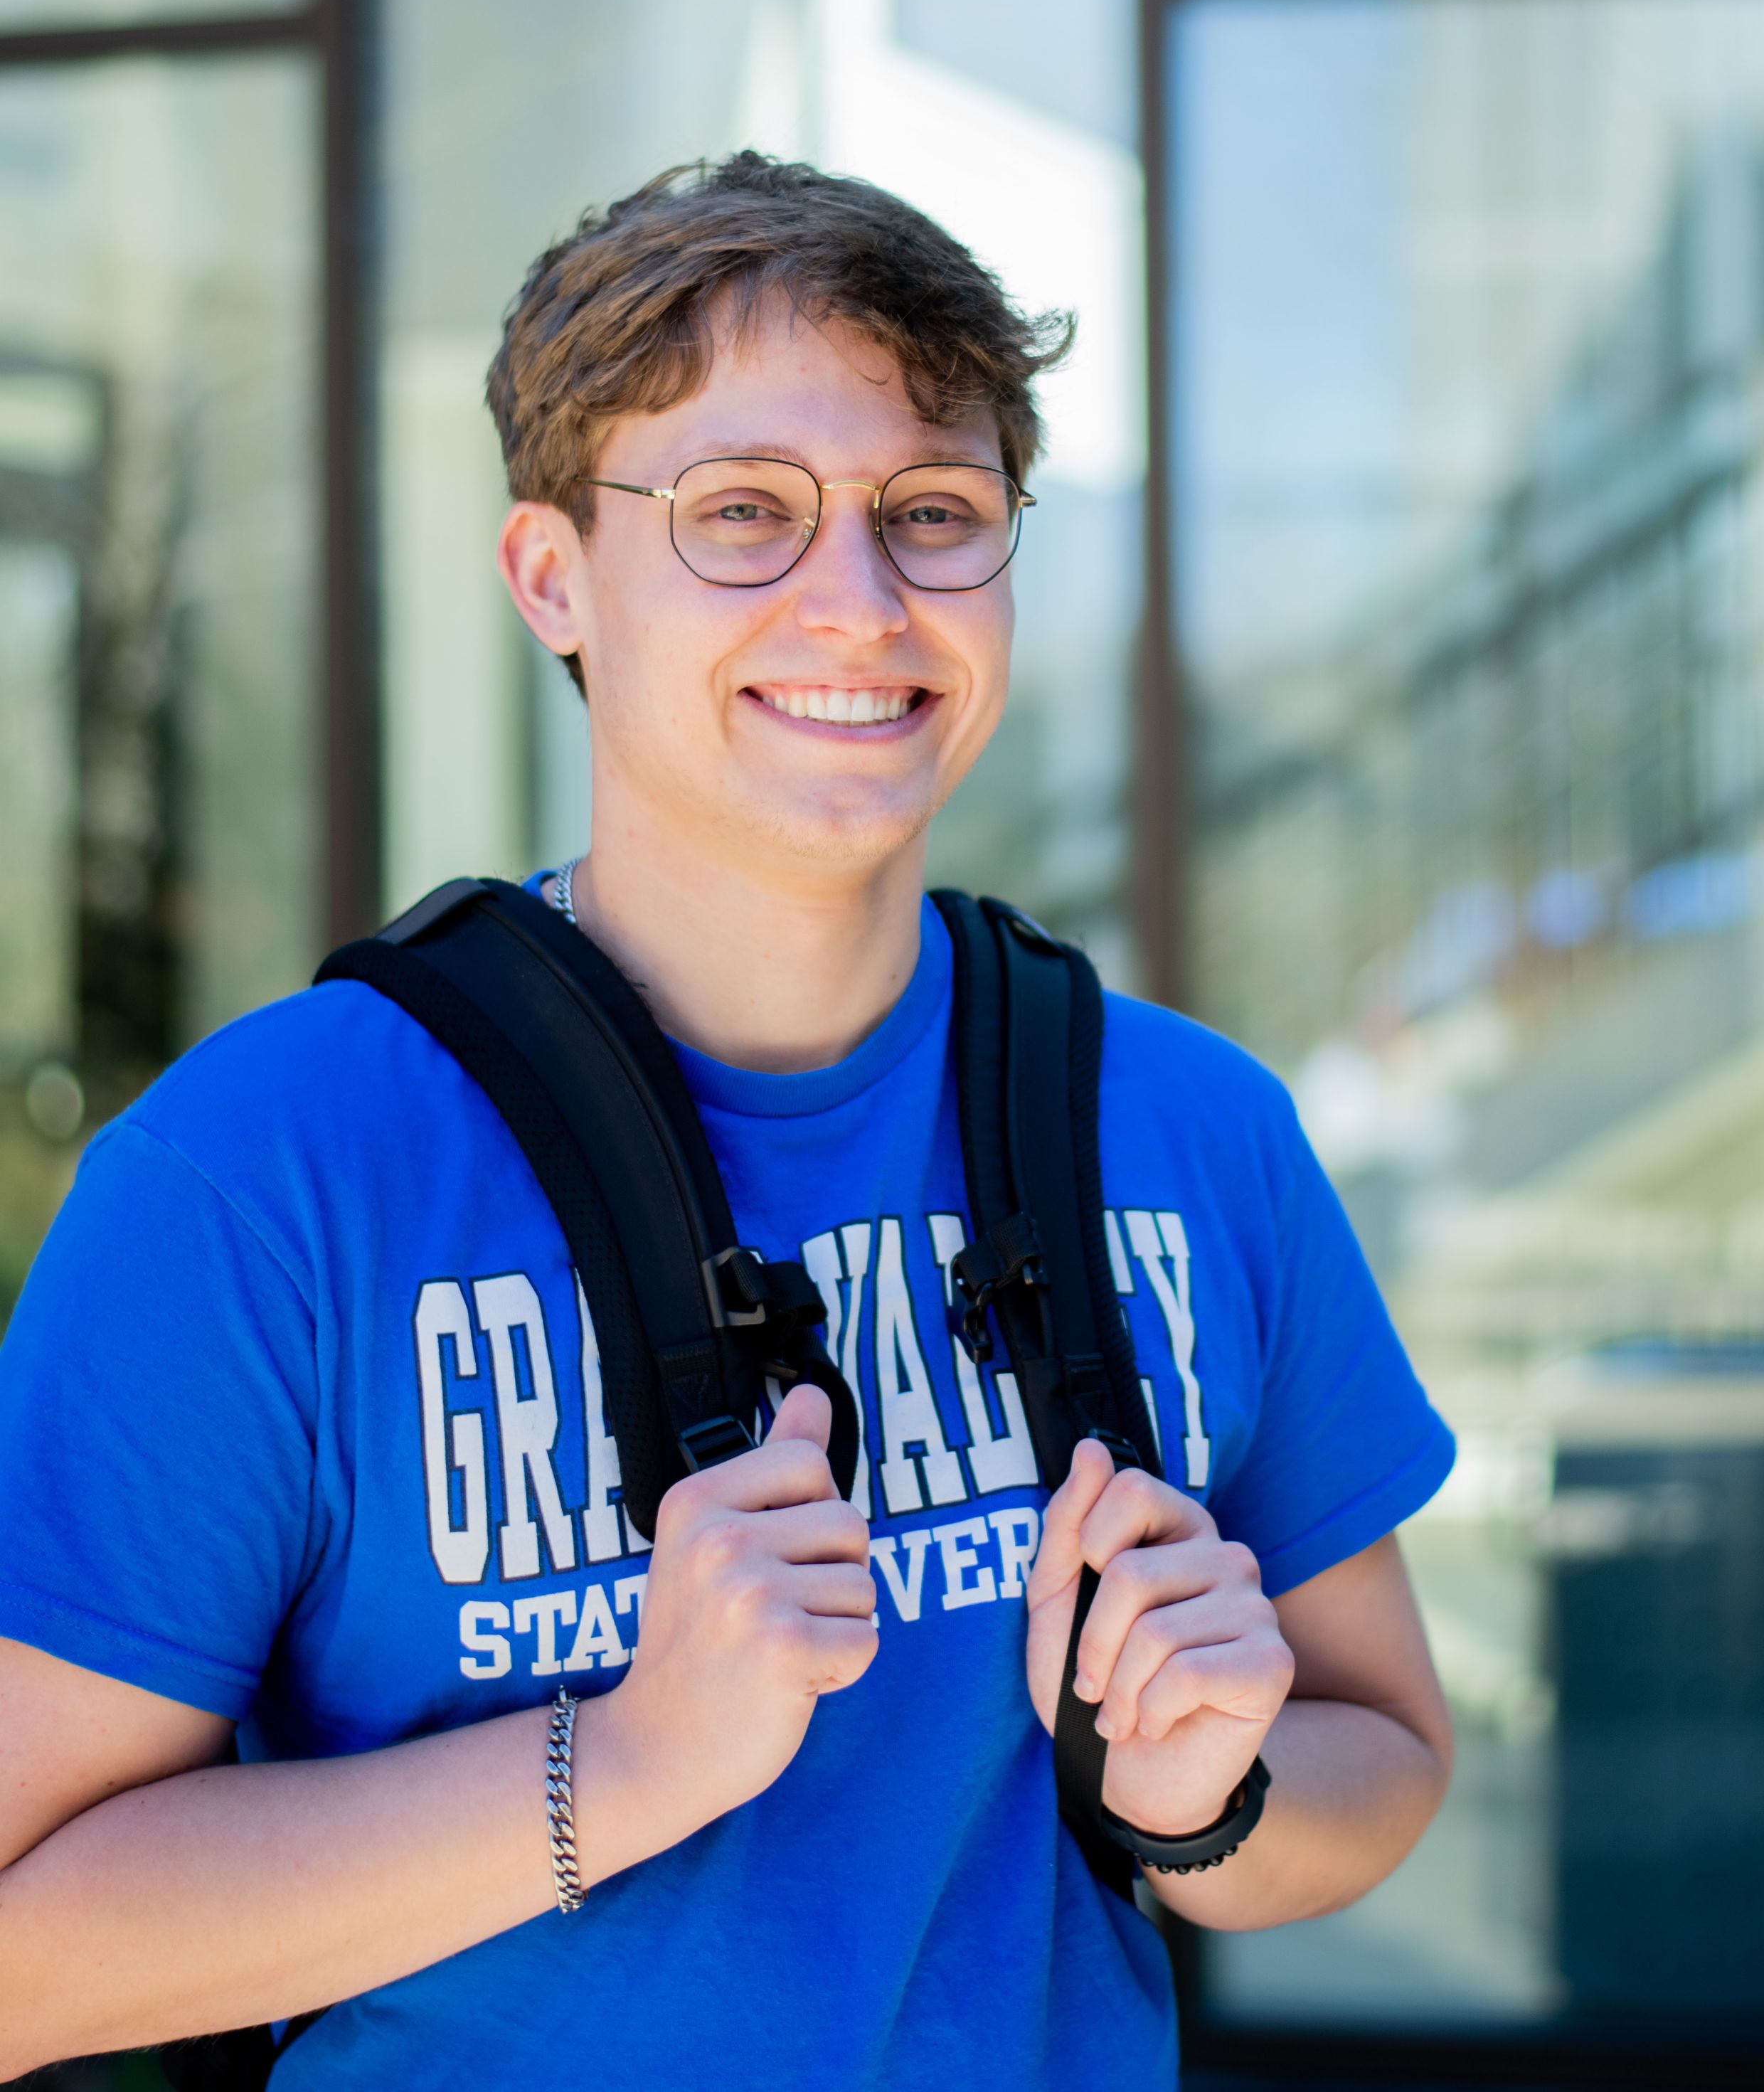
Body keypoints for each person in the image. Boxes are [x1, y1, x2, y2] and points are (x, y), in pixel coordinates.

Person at [0, 153, 1456, 2088]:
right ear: (552, 576)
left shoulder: (1188, 1128)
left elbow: (1388, 1758)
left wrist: (1212, 1797)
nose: (856, 604)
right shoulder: (260, 1180)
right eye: (744, 513)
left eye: (934, 516)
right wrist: (623, 1765)